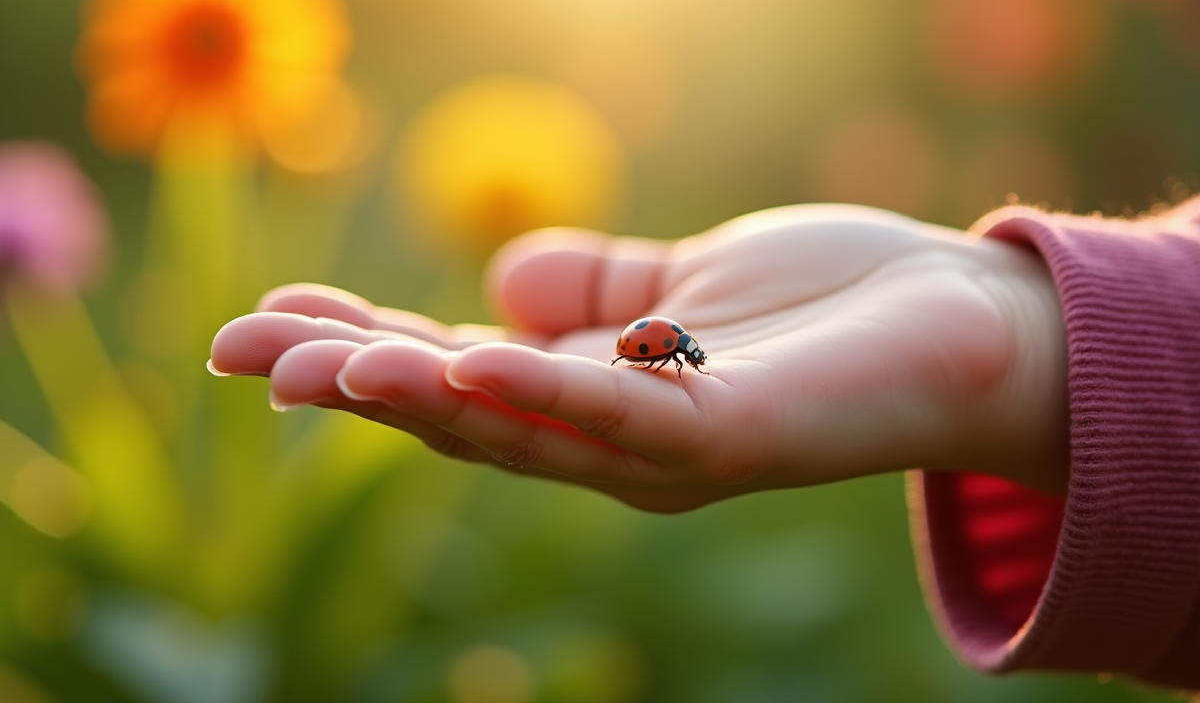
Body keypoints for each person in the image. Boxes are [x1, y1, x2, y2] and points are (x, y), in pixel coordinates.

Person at [209, 200, 1200, 690]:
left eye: (666, 352)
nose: (663, 353)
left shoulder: (666, 347)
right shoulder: (667, 346)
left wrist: (1026, 327)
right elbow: (667, 355)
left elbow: (667, 356)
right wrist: (1031, 321)